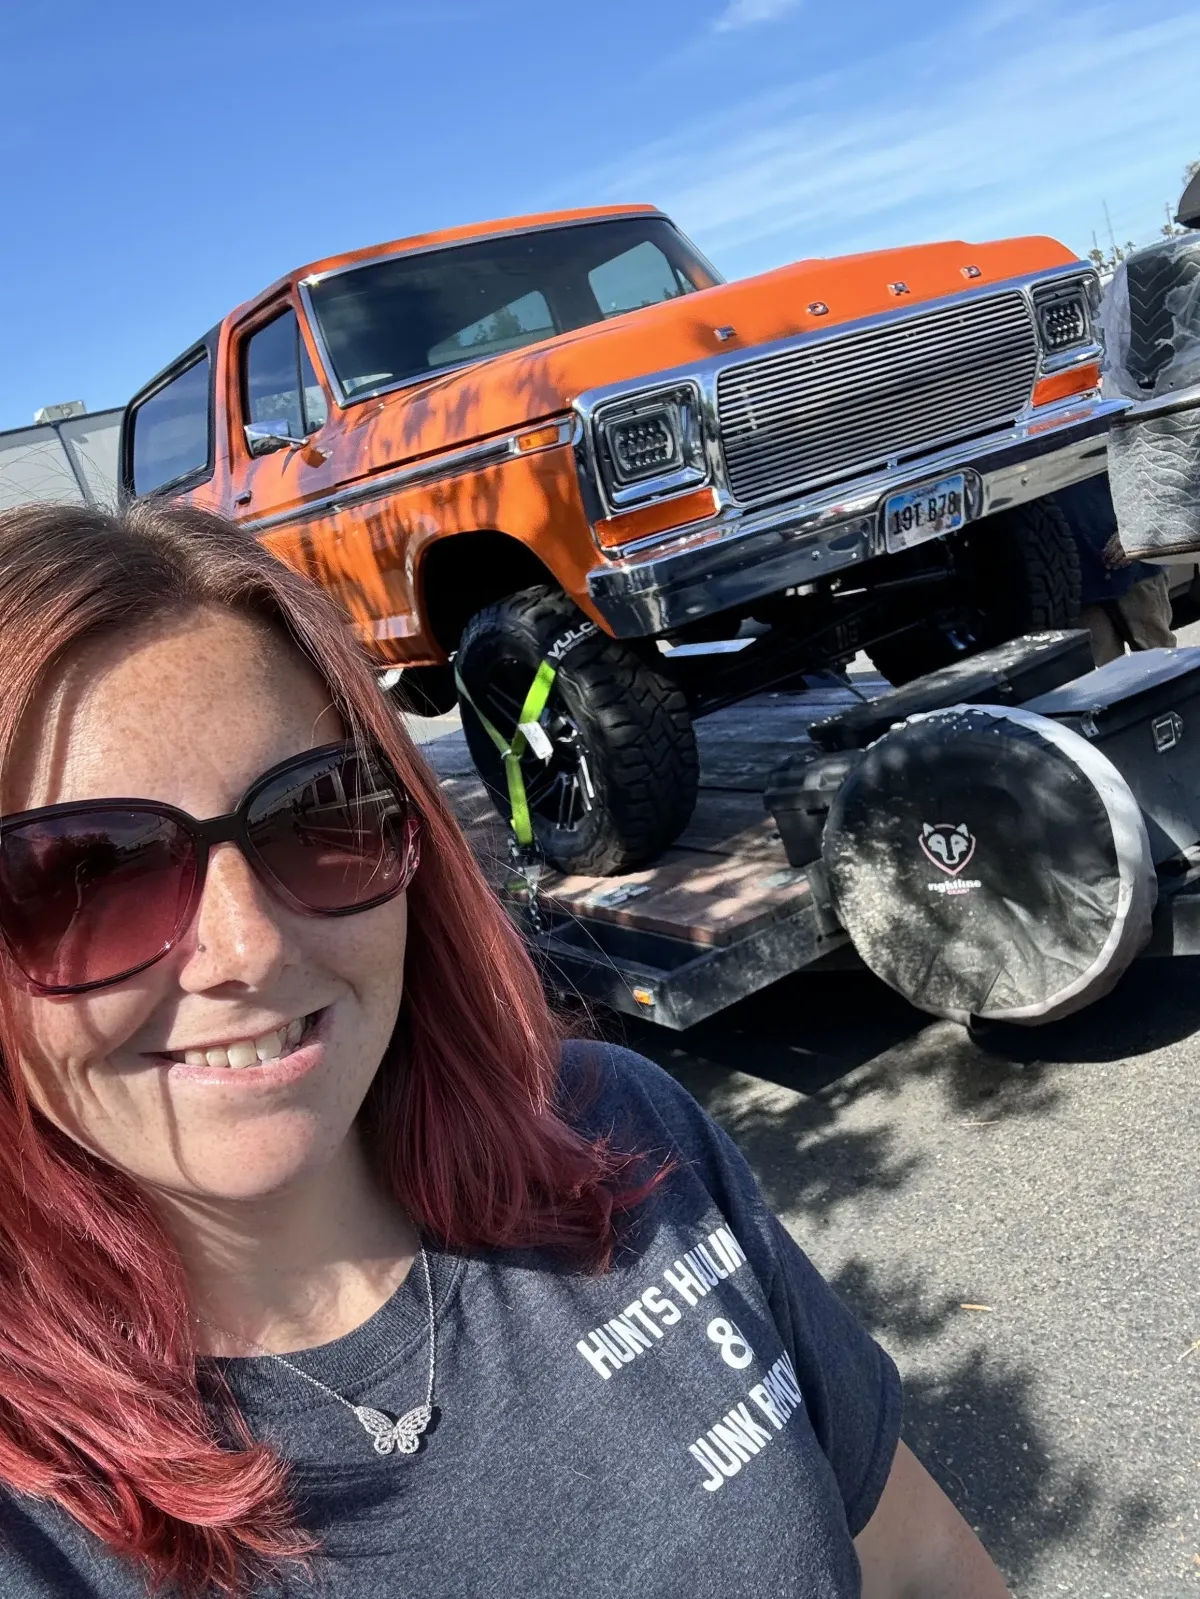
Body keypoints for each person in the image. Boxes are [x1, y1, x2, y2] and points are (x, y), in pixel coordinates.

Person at [0, 500, 1011, 1599]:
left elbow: (915, 1562)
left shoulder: (611, 1132)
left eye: (313, 816)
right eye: (87, 874)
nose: (248, 945)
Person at [1055, 478, 1177, 666]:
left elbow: (1159, 474)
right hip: (1075, 576)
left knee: (1160, 660)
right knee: (1105, 675)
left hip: (1135, 565)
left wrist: (1138, 527)